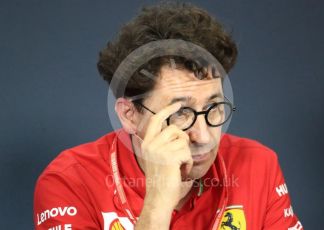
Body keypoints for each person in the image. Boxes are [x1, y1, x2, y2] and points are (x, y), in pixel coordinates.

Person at [33, 2, 303, 230]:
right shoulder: (68, 182)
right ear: (129, 115)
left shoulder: (259, 165)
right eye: (181, 113)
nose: (205, 136)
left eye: (214, 107)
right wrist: (158, 200)